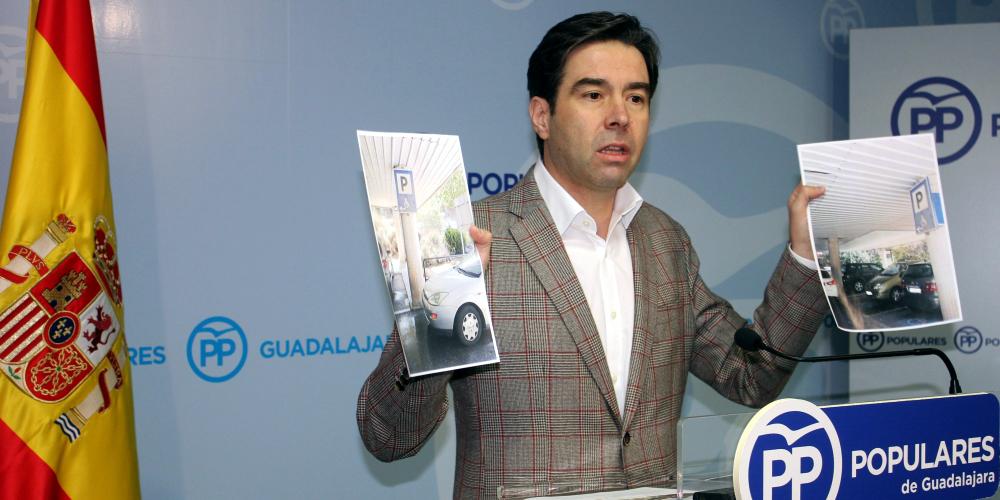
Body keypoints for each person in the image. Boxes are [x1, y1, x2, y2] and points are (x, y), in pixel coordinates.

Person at [358, 11, 827, 499]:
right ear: (542, 116)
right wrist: (441, 309)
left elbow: (751, 376)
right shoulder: (472, 236)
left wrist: (805, 256)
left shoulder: (667, 242)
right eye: (594, 95)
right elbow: (388, 436)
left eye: (636, 97)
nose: (620, 116)